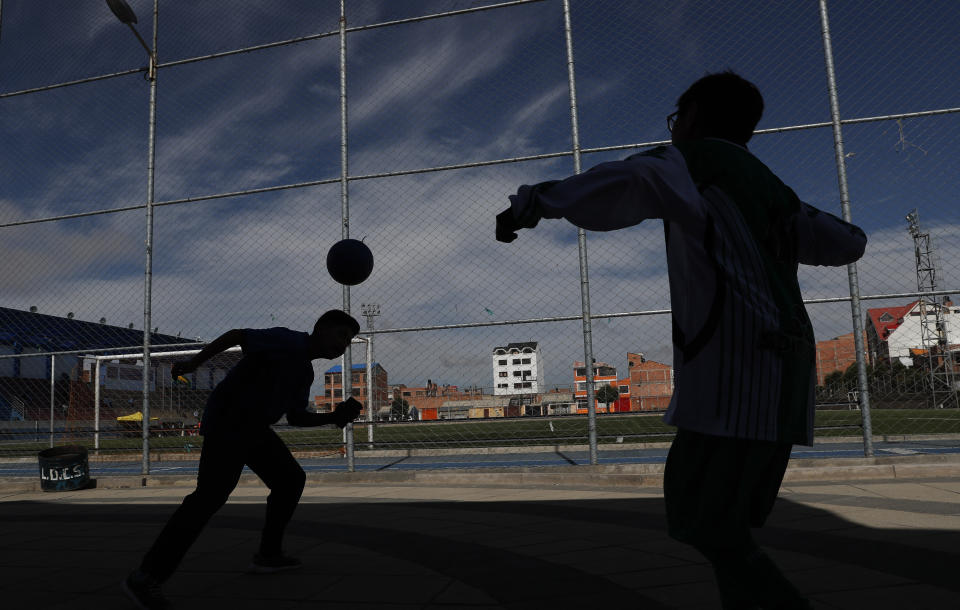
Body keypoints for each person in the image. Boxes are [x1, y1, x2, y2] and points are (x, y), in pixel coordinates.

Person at [496, 71, 867, 609]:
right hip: (784, 372)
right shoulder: (768, 188)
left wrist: (531, 202)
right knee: (713, 522)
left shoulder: (691, 162)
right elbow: (847, 243)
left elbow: (623, 183)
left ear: (691, 117)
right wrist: (782, 216)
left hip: (739, 376)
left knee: (707, 523)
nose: (673, 130)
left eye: (676, 119)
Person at [123, 309, 363, 609]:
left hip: (253, 430)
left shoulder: (305, 372)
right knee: (208, 498)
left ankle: (268, 555)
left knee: (290, 479)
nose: (344, 345)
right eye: (341, 335)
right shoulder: (286, 340)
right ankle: (146, 577)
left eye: (349, 340)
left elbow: (296, 417)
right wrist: (194, 364)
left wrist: (333, 417)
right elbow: (237, 336)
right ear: (321, 329)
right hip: (229, 421)